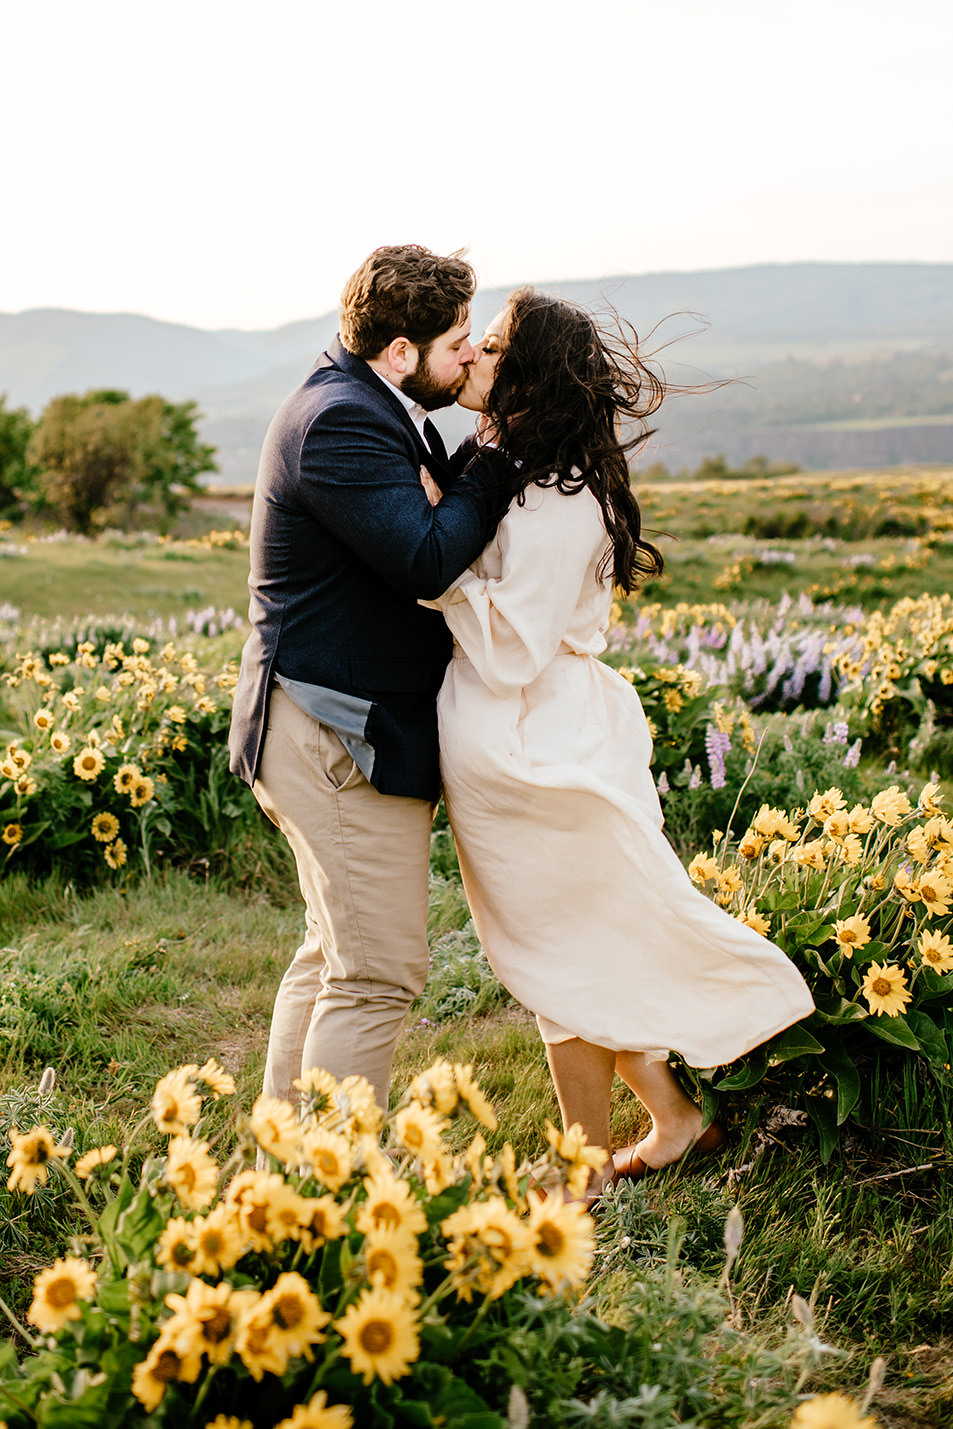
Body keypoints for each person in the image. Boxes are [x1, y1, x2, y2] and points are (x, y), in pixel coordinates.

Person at [423, 288, 814, 1200]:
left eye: (490, 345)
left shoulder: (560, 500)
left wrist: (431, 575)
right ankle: (676, 1118)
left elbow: (514, 647)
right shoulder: (523, 462)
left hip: (536, 744)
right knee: (576, 940)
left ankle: (582, 1171)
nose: (472, 355)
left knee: (559, 953)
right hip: (527, 733)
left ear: (526, 376)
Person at [228, 245, 507, 1115]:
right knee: (377, 971)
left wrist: (453, 480)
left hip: (319, 720)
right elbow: (425, 558)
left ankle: (285, 1168)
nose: (469, 356)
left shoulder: (366, 399)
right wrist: (495, 454)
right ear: (398, 350)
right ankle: (337, 1194)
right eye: (458, 341)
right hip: (334, 730)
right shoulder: (341, 421)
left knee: (332, 952)